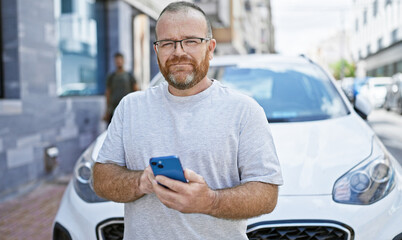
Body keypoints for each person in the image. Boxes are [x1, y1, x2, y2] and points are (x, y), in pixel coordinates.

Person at [93, 2, 283, 240]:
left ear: (210, 48)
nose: (178, 52)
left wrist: (210, 201)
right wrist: (141, 182)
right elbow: (101, 178)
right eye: (168, 43)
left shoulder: (244, 111)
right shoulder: (130, 107)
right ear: (157, 50)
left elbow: (266, 193)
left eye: (191, 41)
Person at [103, 52, 139, 124]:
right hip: (114, 110)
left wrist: (137, 109)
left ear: (123, 61)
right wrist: (107, 111)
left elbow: (136, 91)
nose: (118, 62)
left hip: (128, 109)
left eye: (120, 60)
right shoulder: (111, 77)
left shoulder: (129, 76)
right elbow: (108, 93)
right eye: (117, 60)